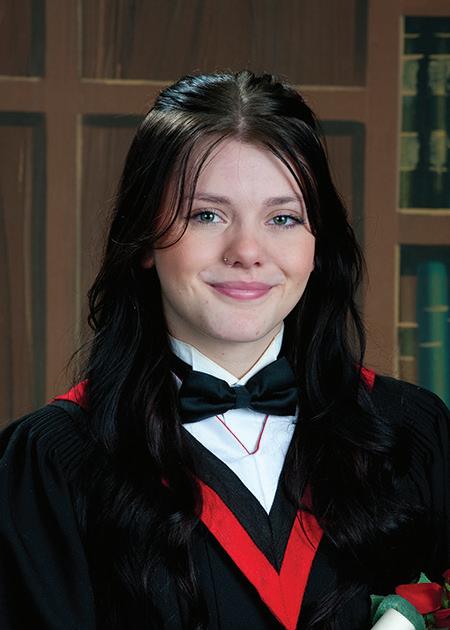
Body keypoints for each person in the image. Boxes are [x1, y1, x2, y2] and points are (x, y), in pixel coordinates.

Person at [0, 70, 448, 630]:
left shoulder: (410, 433)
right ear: (145, 239)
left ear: (317, 246)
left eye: (283, 218)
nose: (247, 251)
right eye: (206, 215)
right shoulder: (53, 464)